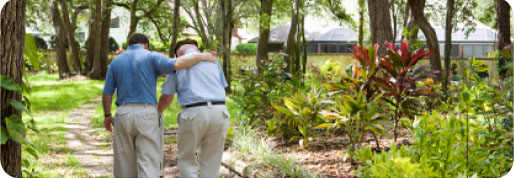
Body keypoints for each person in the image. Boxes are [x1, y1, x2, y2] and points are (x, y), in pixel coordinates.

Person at [102, 33, 217, 178]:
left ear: (129, 45)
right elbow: (179, 64)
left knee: (123, 163)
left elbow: (107, 93)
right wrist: (201, 56)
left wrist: (107, 115)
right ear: (146, 45)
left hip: (123, 113)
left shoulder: (116, 62)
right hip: (146, 113)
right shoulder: (151, 56)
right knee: (148, 161)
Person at [157, 38, 229, 178]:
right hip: (220, 111)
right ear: (196, 48)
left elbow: (167, 96)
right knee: (212, 162)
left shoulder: (177, 65)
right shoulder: (214, 61)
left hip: (194, 112)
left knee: (187, 159)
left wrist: (157, 112)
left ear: (178, 53)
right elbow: (222, 85)